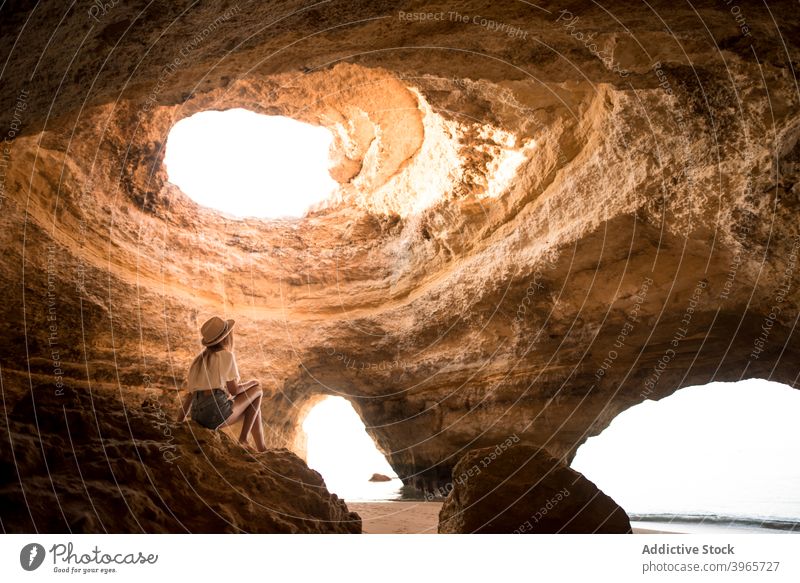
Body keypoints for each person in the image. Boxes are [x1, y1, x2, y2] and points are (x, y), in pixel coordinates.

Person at [176, 316, 267, 452]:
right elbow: (234, 391)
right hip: (215, 412)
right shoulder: (226, 356)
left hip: (198, 416)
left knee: (253, 408)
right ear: (225, 338)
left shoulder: (198, 361)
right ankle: (243, 440)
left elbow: (189, 397)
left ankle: (262, 449)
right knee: (258, 390)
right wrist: (252, 383)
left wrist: (178, 424)